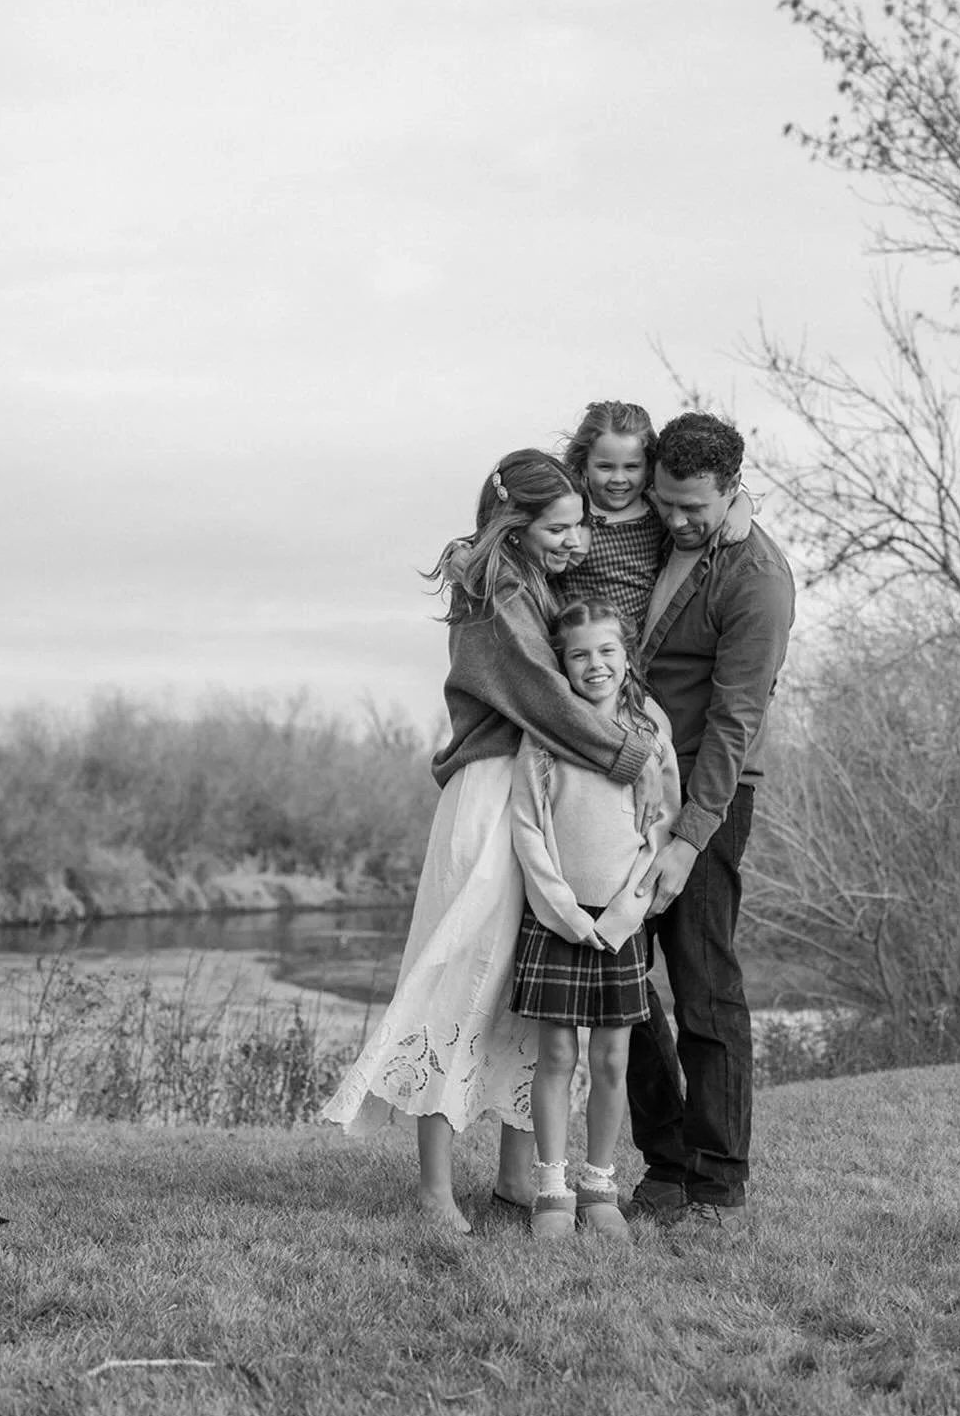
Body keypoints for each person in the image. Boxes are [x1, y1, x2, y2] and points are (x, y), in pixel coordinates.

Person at [322, 449, 664, 1234]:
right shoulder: (498, 594)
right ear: (514, 523)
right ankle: (434, 1191)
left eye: (580, 526)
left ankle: (518, 1178)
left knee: (523, 988)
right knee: (460, 981)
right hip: (489, 798)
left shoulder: (532, 584)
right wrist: (630, 753)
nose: (576, 541)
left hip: (538, 794)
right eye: (559, 527)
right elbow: (544, 698)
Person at [627, 410, 795, 1234]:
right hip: (629, 786)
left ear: (732, 489)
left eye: (693, 507)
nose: (676, 519)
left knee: (703, 985)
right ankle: (665, 1162)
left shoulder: (757, 579)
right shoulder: (652, 536)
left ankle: (718, 1180)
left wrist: (689, 841)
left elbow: (736, 723)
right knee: (619, 980)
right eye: (665, 501)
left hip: (708, 794)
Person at [508, 600, 681, 1242]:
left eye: (607, 651)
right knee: (556, 1056)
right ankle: (551, 1189)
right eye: (579, 655)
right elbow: (527, 830)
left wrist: (621, 916)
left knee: (612, 1060)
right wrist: (563, 913)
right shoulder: (545, 736)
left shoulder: (648, 735)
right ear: (562, 665)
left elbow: (660, 831)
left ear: (627, 656)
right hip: (556, 921)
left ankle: (599, 1186)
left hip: (620, 923)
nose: (595, 665)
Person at [557, 399, 754, 634]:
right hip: (581, 637)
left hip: (637, 641)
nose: (619, 479)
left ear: (649, 466)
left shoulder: (655, 505)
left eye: (632, 467)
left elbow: (722, 491)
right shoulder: (574, 511)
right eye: (605, 467)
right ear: (583, 464)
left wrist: (743, 506)